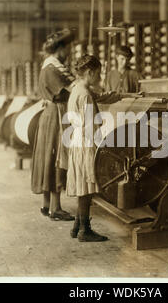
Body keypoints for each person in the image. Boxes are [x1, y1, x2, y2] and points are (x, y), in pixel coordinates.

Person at [31, 29, 75, 221]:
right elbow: (73, 88)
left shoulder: (46, 66)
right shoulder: (54, 68)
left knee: (47, 156)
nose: (70, 52)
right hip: (56, 116)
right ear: (60, 49)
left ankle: (47, 205)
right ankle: (56, 209)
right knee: (58, 156)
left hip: (48, 115)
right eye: (68, 48)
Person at [66, 55, 108, 242]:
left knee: (82, 184)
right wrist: (103, 145)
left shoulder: (76, 89)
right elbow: (91, 126)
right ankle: (85, 230)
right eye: (98, 74)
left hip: (77, 141)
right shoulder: (86, 95)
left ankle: (77, 226)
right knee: (87, 187)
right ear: (90, 73)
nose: (99, 78)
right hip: (86, 143)